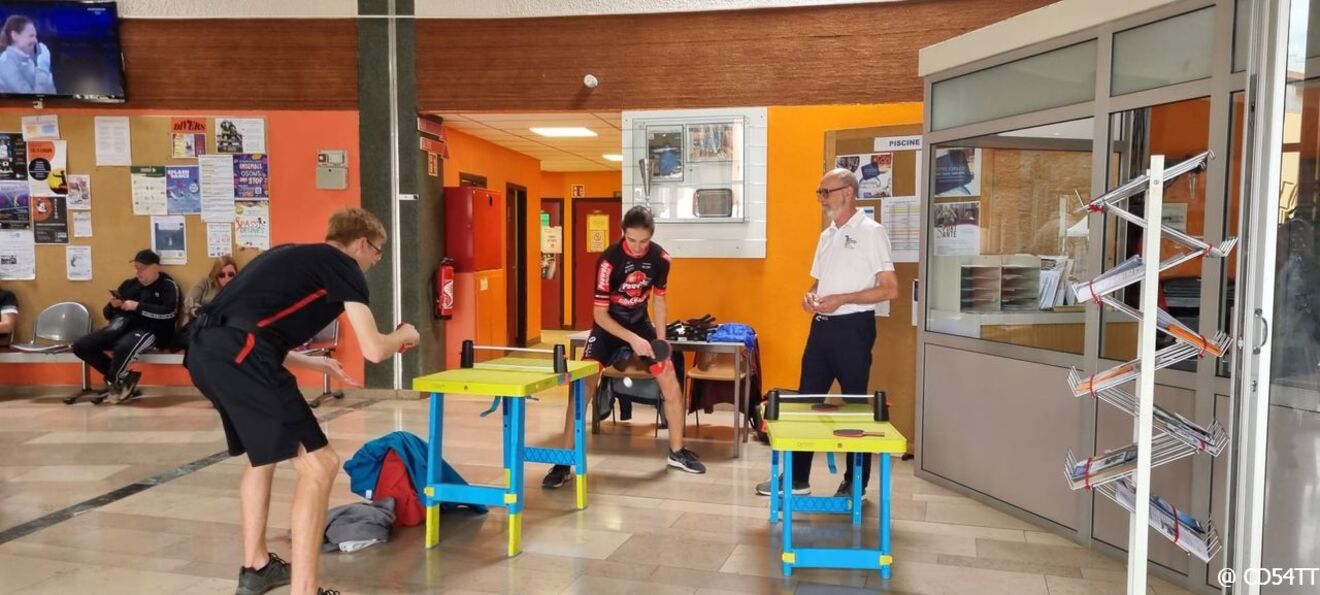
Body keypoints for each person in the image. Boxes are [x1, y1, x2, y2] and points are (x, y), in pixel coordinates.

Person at [185, 208, 418, 595]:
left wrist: (310, 361)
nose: (375, 260)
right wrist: (406, 335)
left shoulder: (289, 253)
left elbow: (249, 324)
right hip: (242, 355)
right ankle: (305, 590)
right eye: (377, 252)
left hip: (204, 352)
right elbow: (375, 349)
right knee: (320, 465)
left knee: (262, 455)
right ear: (361, 243)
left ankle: (256, 567)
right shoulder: (343, 266)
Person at [755, 168, 898, 497]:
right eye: (818, 193)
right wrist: (810, 297)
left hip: (853, 329)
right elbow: (819, 283)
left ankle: (855, 484)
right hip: (821, 328)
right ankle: (797, 479)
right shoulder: (827, 235)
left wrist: (842, 299)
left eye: (825, 192)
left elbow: (890, 289)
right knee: (807, 402)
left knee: (855, 407)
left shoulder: (872, 232)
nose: (820, 199)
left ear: (847, 192)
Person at [543, 206, 706, 489]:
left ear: (651, 236)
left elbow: (659, 300)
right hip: (608, 328)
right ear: (623, 234)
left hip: (640, 324)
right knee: (580, 390)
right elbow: (599, 315)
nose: (638, 247)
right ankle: (563, 462)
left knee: (670, 381)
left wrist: (660, 339)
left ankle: (677, 452)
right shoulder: (609, 261)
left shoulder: (661, 259)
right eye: (632, 240)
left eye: (644, 241)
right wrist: (631, 339)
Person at [72, 250, 180, 404]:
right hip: (121, 327)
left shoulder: (168, 286)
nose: (138, 272)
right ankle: (122, 381)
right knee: (81, 345)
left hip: (152, 330)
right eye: (136, 268)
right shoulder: (129, 285)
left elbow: (169, 313)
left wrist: (138, 307)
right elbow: (107, 314)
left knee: (123, 347)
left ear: (156, 267)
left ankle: (115, 382)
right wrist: (112, 306)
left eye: (142, 268)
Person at [0, 15, 54, 95]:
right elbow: (32, 98)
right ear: (15, 35)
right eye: (31, 36)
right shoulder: (5, 63)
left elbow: (51, 95)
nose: (35, 40)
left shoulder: (30, 62)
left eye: (35, 36)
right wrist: (43, 67)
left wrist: (46, 74)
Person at [183, 255, 238, 326]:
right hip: (203, 325)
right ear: (216, 276)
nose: (227, 278)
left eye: (231, 275)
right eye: (221, 275)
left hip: (227, 327)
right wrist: (199, 312)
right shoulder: (205, 283)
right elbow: (189, 302)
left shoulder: (239, 288)